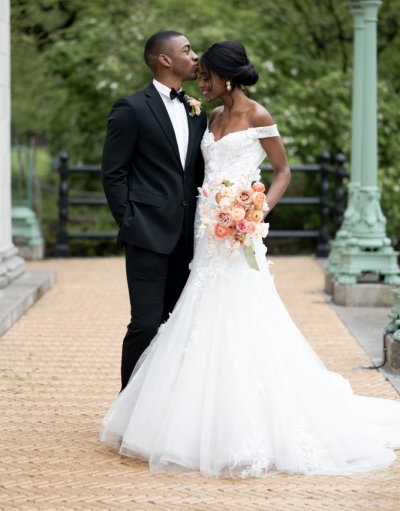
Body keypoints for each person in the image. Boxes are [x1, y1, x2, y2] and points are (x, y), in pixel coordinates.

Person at [100, 40, 400, 478]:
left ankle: (240, 423)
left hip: (238, 234)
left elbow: (282, 171)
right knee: (186, 318)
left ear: (226, 77)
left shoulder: (256, 115)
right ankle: (159, 412)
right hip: (204, 234)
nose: (200, 80)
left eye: (206, 76)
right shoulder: (208, 115)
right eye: (195, 71)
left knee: (241, 317)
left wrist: (253, 212)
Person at [101, 30, 207, 391]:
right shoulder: (131, 108)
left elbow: (197, 171)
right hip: (146, 231)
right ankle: (128, 406)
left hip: (189, 235)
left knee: (176, 323)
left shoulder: (196, 110)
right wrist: (129, 219)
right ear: (164, 59)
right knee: (145, 323)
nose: (195, 56)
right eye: (187, 50)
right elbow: (113, 172)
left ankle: (164, 408)